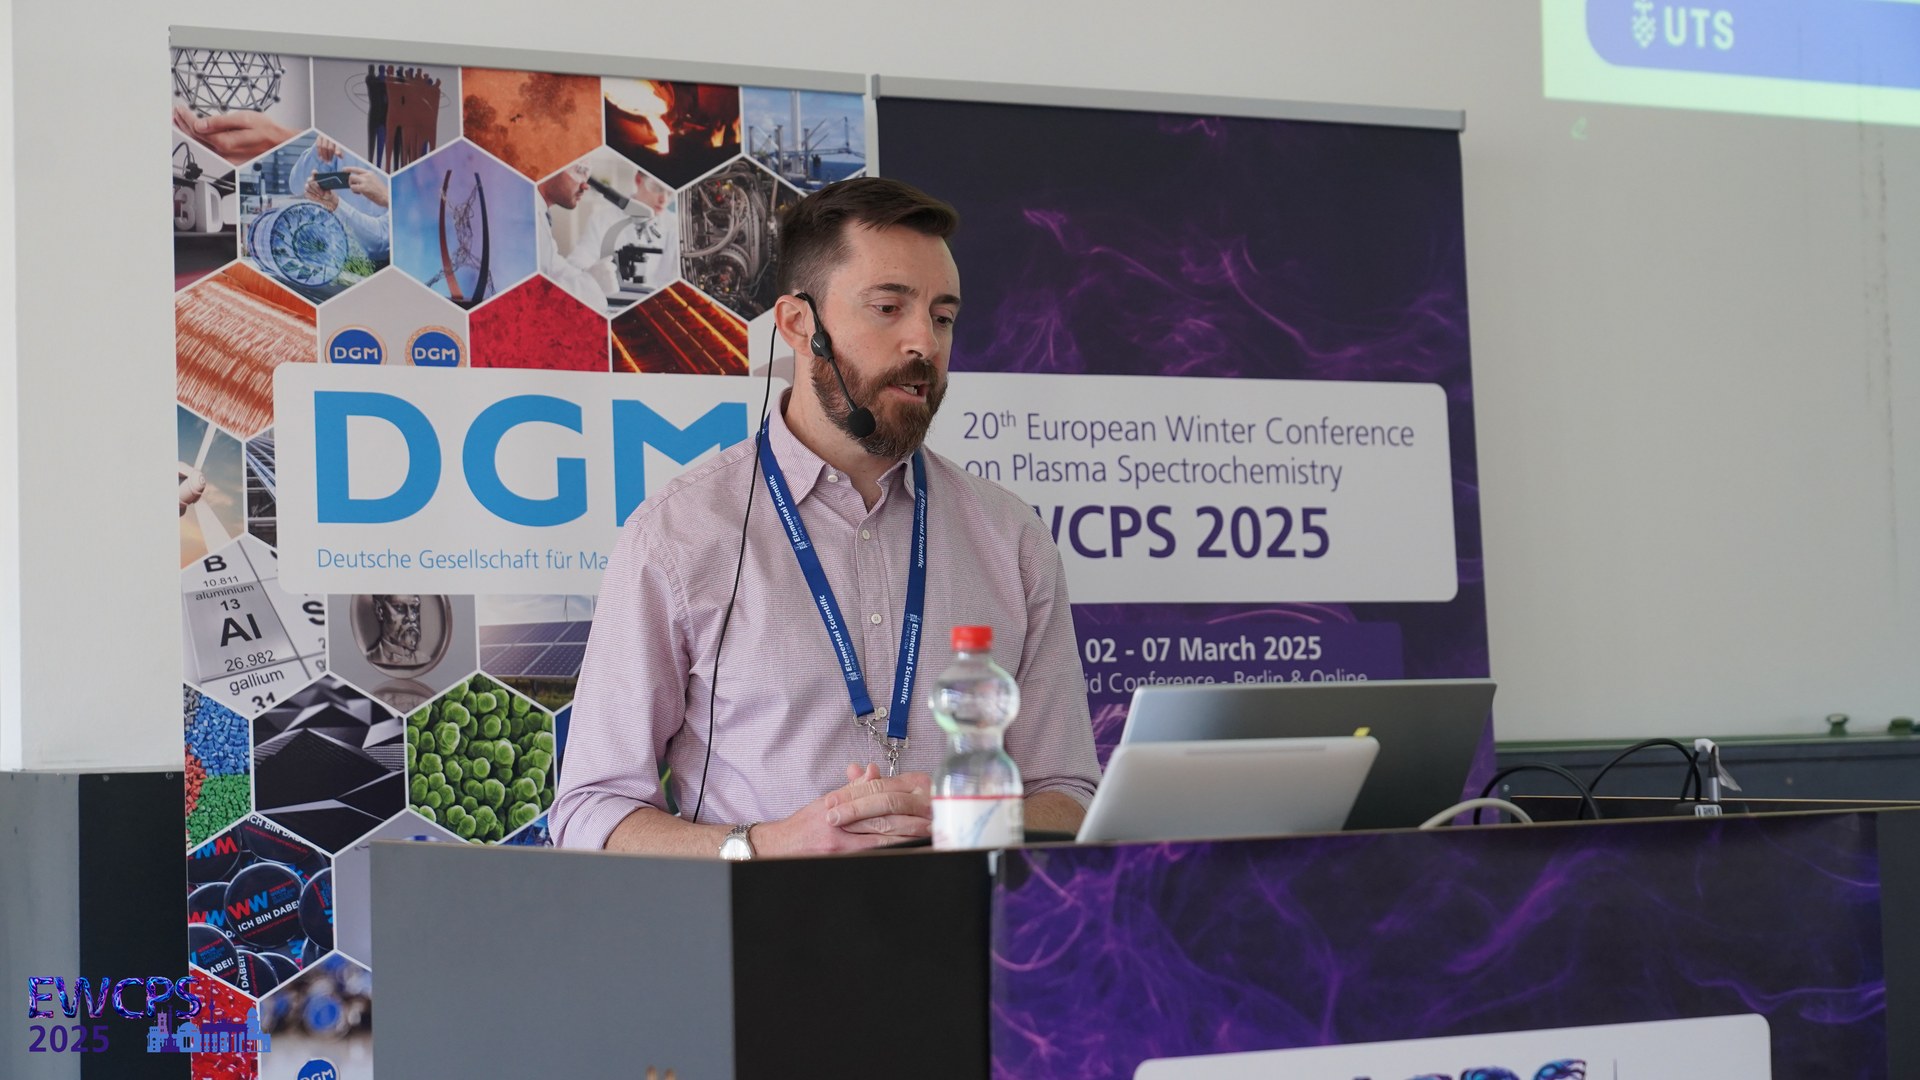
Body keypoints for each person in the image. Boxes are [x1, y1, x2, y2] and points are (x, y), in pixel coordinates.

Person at [553, 178, 1100, 858]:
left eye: (942, 317)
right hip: (759, 921)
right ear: (797, 324)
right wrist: (767, 846)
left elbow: (1066, 791)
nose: (924, 343)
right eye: (888, 308)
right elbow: (591, 813)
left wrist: (967, 820)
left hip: (967, 923)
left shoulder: (1010, 536)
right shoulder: (679, 533)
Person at [302, 135, 389, 263]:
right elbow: (296, 186)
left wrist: (387, 197)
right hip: (335, 250)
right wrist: (317, 152)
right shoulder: (339, 141)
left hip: (372, 261)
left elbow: (381, 242)